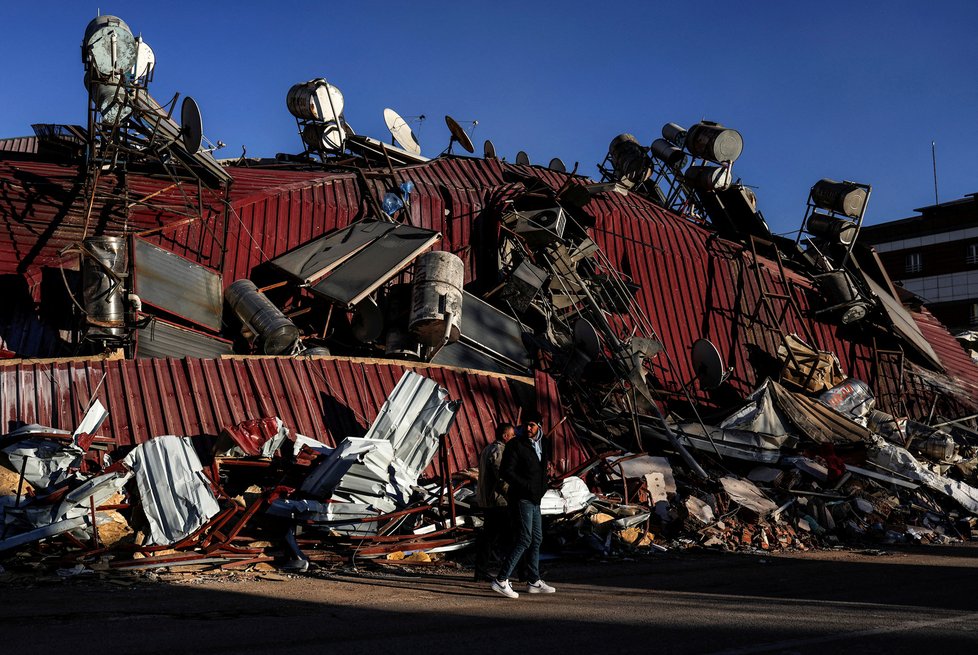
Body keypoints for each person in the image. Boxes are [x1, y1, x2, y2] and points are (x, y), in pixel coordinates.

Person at [490, 413, 556, 599]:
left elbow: (543, 469)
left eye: (532, 425)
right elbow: (506, 472)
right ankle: (501, 580)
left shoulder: (544, 443)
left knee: (536, 538)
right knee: (524, 538)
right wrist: (526, 486)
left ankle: (533, 581)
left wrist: (542, 488)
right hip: (521, 498)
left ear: (540, 426)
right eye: (526, 425)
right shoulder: (515, 444)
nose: (528, 428)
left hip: (536, 498)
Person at [473, 422, 515, 581]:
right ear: (505, 436)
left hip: (488, 500)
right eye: (512, 435)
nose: (514, 438)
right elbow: (502, 479)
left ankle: (481, 570)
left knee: (489, 536)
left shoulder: (487, 449)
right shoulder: (499, 451)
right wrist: (513, 494)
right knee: (507, 537)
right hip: (497, 502)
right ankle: (508, 572)